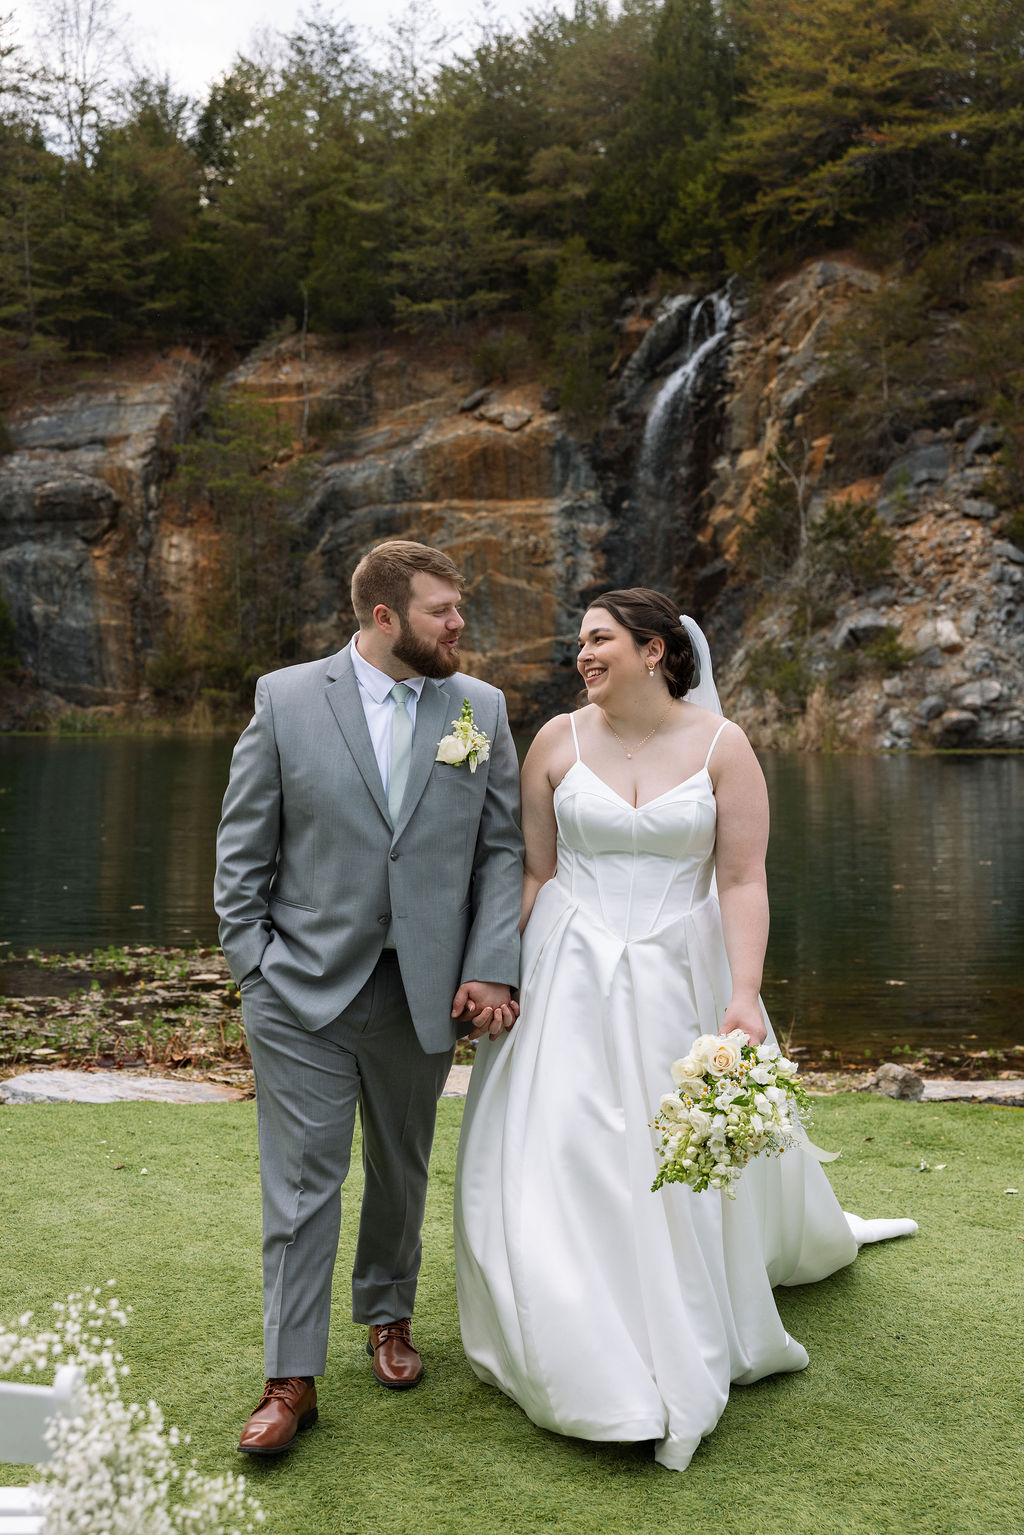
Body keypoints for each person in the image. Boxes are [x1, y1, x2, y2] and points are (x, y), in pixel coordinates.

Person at [454, 589, 915, 1472]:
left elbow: (742, 879)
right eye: (581, 642)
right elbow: (536, 872)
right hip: (568, 972)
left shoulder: (722, 746)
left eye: (598, 640)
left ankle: (681, 1310)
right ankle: (574, 1334)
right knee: (563, 1151)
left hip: (683, 974)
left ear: (655, 650)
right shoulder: (555, 741)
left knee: (672, 1158)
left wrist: (744, 997)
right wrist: (495, 973)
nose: (581, 655)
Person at [216, 540, 523, 1456]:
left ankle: (389, 1316)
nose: (458, 623)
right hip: (300, 988)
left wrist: (492, 962)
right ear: (383, 618)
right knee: (304, 1183)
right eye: (441, 610)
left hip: (424, 989)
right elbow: (242, 853)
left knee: (402, 1165)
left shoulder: (483, 709)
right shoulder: (286, 698)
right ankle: (290, 1376)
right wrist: (252, 971)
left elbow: (500, 852)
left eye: (458, 607)